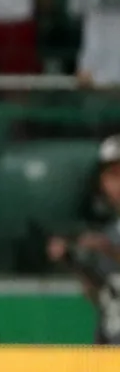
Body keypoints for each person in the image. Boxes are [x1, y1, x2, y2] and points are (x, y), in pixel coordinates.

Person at [50, 134, 120, 345]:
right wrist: (74, 263)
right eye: (113, 175)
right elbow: (100, 296)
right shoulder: (110, 232)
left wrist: (110, 251)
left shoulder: (107, 240)